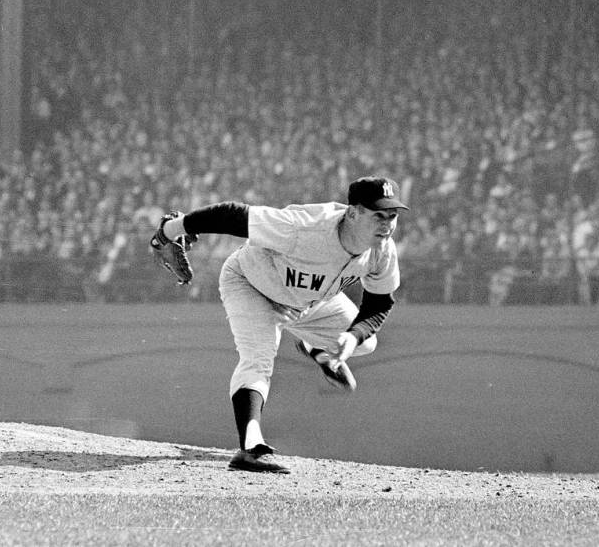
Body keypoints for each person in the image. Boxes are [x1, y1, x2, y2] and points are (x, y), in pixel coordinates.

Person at [152, 176, 408, 474]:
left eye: (392, 216)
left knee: (366, 342)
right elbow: (235, 215)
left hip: (308, 303)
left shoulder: (382, 251)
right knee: (257, 362)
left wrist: (351, 338)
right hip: (252, 286)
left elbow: (379, 304)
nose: (387, 224)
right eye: (378, 215)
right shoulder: (303, 228)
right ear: (353, 213)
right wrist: (171, 230)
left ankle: (315, 347)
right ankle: (250, 448)